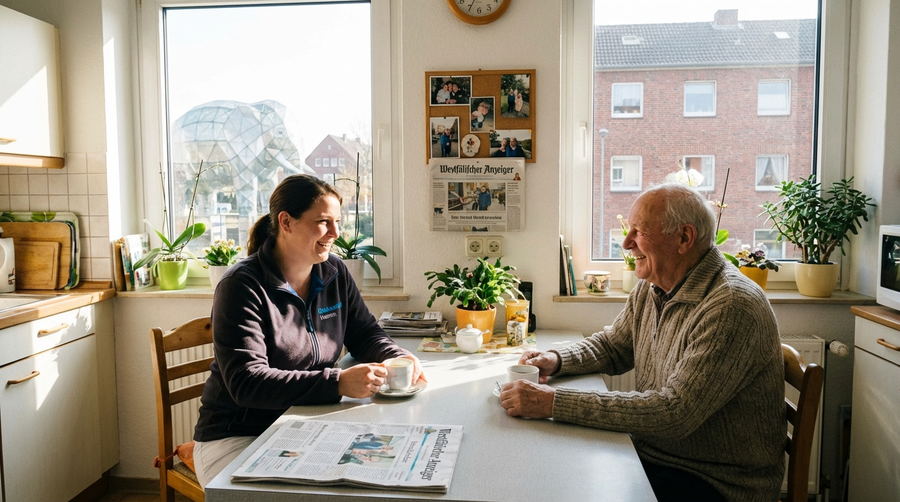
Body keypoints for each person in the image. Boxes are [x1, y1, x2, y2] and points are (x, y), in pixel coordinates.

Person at [498, 183, 786, 502]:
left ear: (684, 238)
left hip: (716, 482)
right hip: (656, 457)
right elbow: (614, 346)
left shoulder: (731, 306)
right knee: (552, 470)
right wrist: (555, 359)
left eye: (639, 231)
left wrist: (551, 402)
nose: (626, 242)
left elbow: (674, 413)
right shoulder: (655, 286)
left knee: (567, 486)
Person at [192, 174, 426, 487]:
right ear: (286, 222)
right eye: (323, 222)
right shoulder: (241, 286)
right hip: (238, 435)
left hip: (304, 423)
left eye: (337, 222)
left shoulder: (334, 272)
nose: (335, 233)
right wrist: (338, 382)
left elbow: (365, 333)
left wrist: (398, 355)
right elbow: (247, 382)